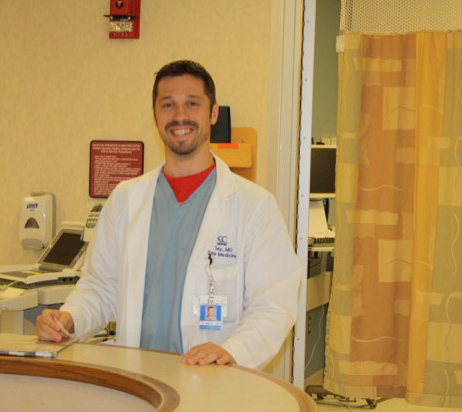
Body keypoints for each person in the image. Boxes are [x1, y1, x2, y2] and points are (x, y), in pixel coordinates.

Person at [37, 60, 301, 369]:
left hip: (214, 383)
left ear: (213, 112)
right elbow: (100, 287)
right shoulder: (125, 199)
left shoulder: (254, 206)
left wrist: (233, 351)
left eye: (192, 103)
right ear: (155, 115)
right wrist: (68, 319)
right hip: (137, 379)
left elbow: (274, 303)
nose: (179, 116)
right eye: (168, 105)